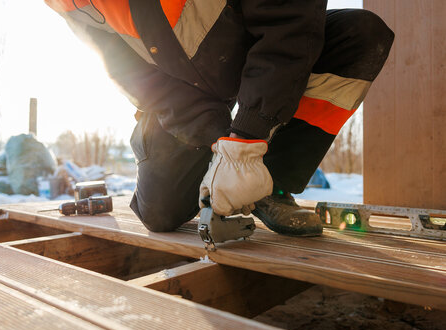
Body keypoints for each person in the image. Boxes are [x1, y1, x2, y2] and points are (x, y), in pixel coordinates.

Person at [46, 0, 394, 236]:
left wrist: (248, 138)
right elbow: (134, 76)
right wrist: (218, 140)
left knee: (360, 36)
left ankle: (273, 184)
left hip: (259, 66)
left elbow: (288, 23)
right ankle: (232, 171)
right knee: (161, 214)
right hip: (182, 95)